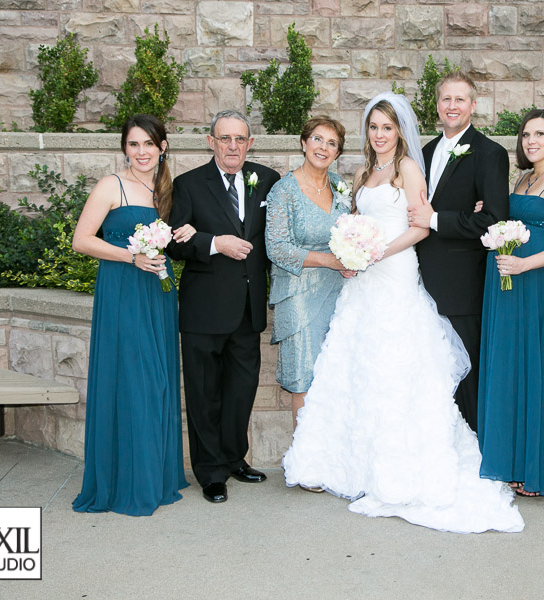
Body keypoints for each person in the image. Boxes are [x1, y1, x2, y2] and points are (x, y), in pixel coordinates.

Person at [282, 92, 524, 534]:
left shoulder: (410, 168)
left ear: (400, 132)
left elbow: (419, 225)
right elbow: (353, 219)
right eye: (373, 127)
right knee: (361, 365)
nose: (379, 135)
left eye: (387, 128)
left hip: (394, 270)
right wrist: (351, 248)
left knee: (396, 366)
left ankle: (402, 468)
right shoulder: (359, 173)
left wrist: (376, 252)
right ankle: (358, 466)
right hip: (364, 280)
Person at [71, 114, 193, 516]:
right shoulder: (112, 184)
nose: (142, 152)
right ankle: (129, 481)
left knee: (158, 379)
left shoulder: (164, 190)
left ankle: (155, 475)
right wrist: (130, 256)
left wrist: (184, 234)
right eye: (134, 144)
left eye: (149, 145)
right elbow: (81, 240)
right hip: (123, 290)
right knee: (133, 378)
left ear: (162, 148)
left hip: (157, 291)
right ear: (125, 148)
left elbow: (170, 241)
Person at [166, 109, 281, 504]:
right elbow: (174, 243)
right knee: (204, 393)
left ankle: (234, 459)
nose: (232, 146)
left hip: (248, 310)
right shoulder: (188, 185)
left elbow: (279, 235)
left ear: (250, 144)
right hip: (204, 309)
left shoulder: (268, 180)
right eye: (224, 138)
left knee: (240, 392)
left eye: (240, 139)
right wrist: (215, 243)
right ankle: (210, 471)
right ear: (211, 141)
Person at [477, 109, 544, 498]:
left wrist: (524, 264)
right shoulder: (524, 178)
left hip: (542, 285)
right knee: (514, 367)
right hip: (511, 287)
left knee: (539, 369)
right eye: (526, 135)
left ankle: (539, 467)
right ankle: (512, 459)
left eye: (540, 134)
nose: (531, 141)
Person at [407, 70, 509, 433]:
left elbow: (495, 221)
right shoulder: (424, 152)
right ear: (437, 105)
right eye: (446, 99)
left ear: (473, 105)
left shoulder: (490, 154)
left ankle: (476, 457)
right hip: (418, 282)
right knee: (431, 374)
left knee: (466, 373)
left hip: (461, 287)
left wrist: (437, 220)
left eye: (460, 99)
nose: (452, 106)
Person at [266, 116, 352, 428]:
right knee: (304, 377)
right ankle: (306, 462)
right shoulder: (283, 191)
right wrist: (330, 260)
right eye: (318, 139)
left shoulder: (340, 187)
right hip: (298, 295)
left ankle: (331, 461)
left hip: (340, 295)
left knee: (334, 377)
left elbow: (352, 233)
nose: (323, 147)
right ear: (304, 143)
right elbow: (276, 248)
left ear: (337, 153)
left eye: (332, 143)